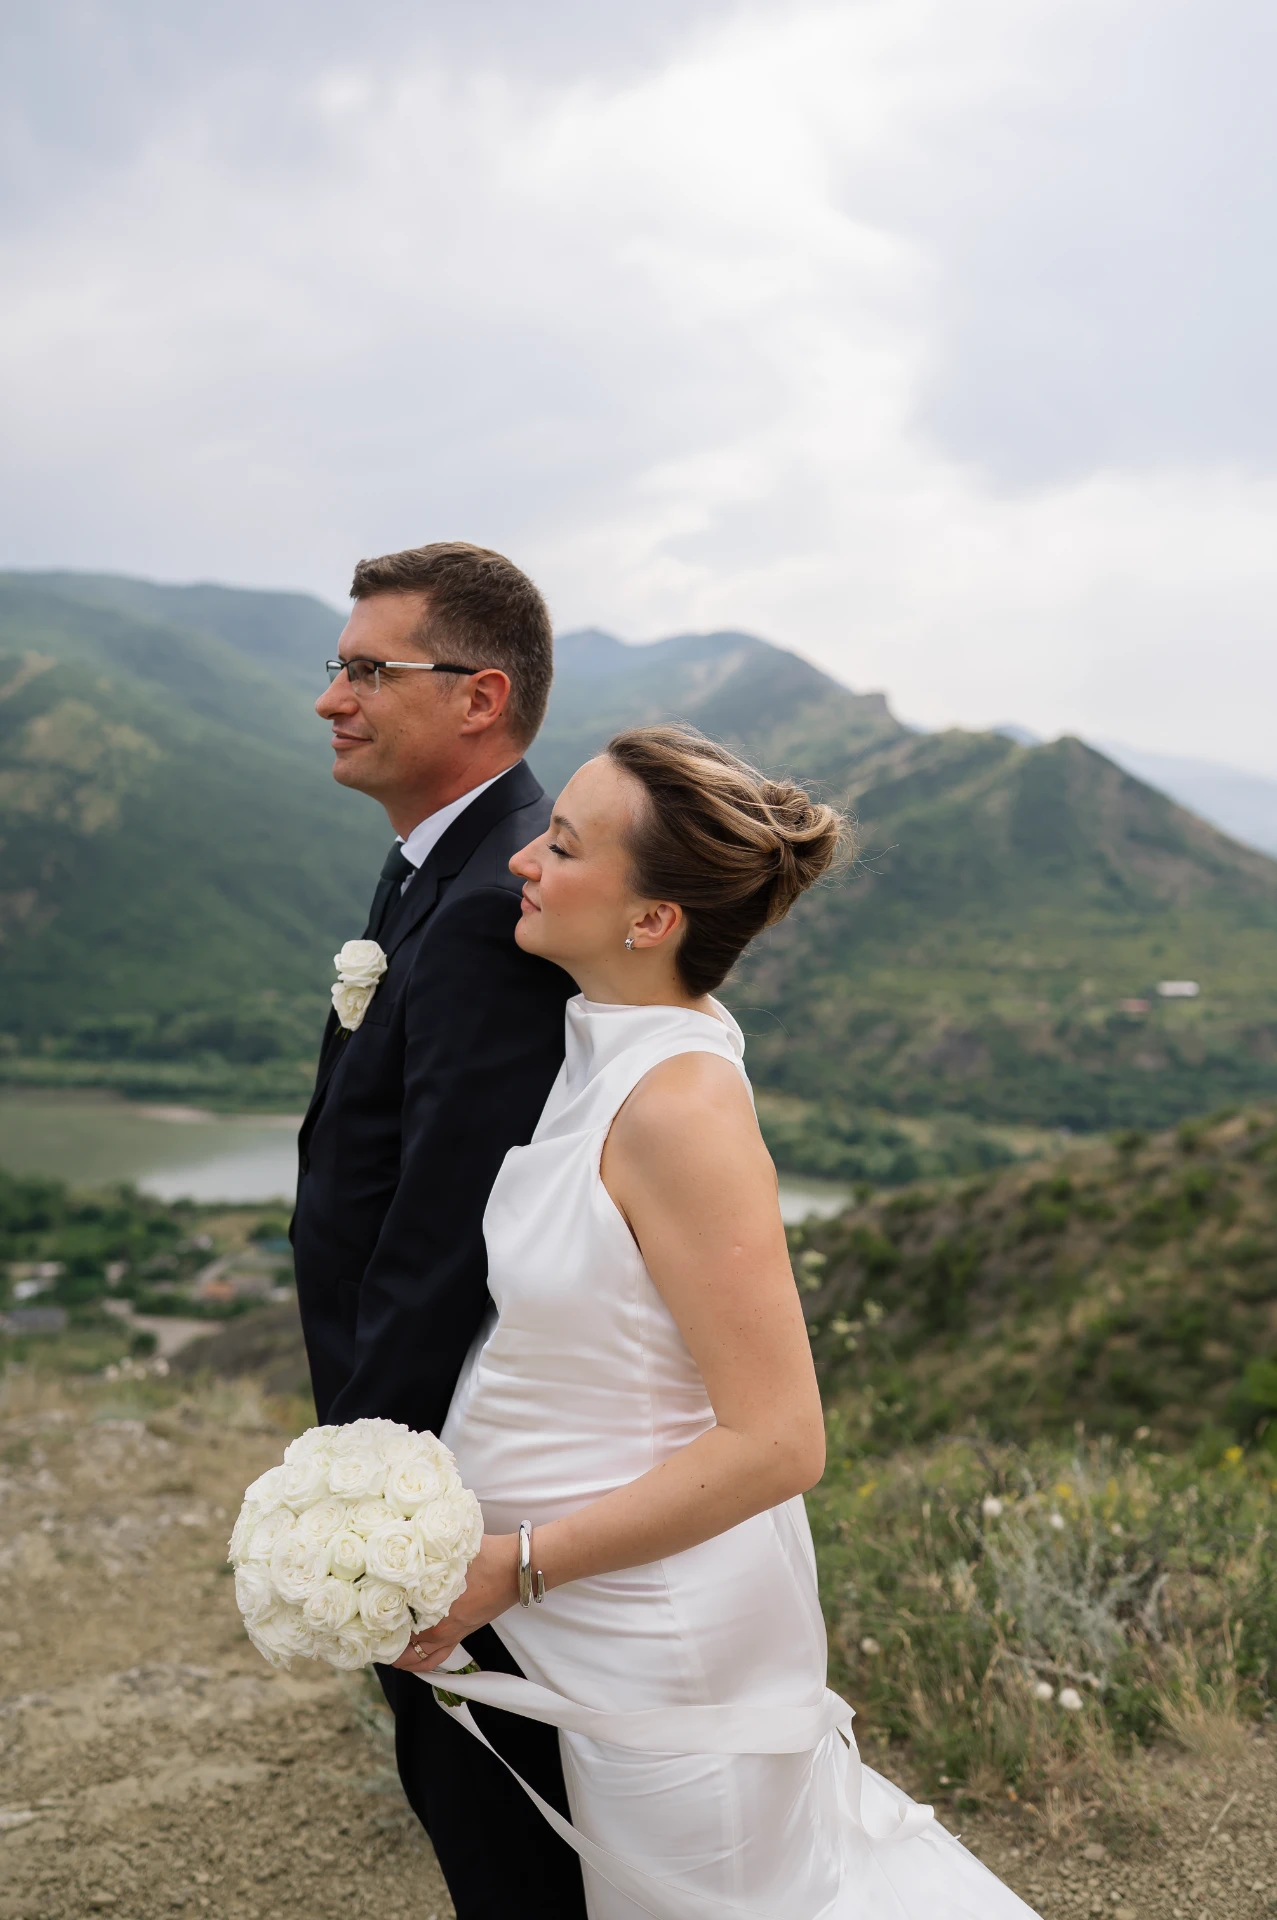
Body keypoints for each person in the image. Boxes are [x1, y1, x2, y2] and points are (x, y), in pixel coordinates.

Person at [394, 725, 1041, 1919]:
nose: (520, 862)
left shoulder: (680, 1105)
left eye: (564, 846)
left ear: (652, 923)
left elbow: (780, 1441)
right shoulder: (594, 1043)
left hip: (661, 1645)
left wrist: (514, 1567)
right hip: (571, 1626)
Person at [290, 542, 586, 1918]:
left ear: (477, 697)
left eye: (364, 670)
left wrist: (357, 1490)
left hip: (447, 1464)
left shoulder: (485, 909)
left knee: (500, 1814)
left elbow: (445, 1234)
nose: (329, 699)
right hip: (414, 1439)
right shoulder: (431, 872)